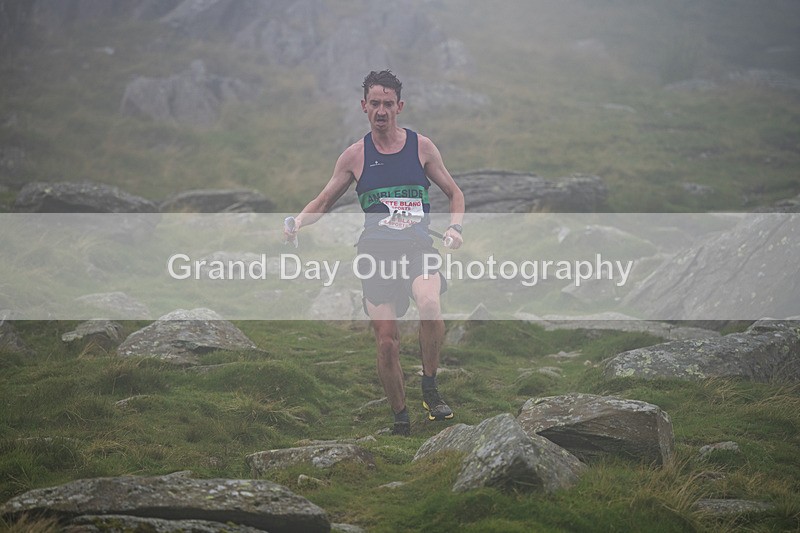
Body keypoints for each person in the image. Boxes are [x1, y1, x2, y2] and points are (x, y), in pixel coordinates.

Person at [285, 70, 465, 436]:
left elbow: (455, 194)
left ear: (399, 106)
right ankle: (401, 418)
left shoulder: (422, 147)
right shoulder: (354, 156)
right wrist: (297, 222)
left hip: (418, 248)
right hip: (376, 256)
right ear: (363, 106)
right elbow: (322, 201)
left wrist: (455, 227)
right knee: (386, 342)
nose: (381, 110)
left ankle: (430, 387)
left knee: (429, 303)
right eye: (374, 103)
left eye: (388, 104)